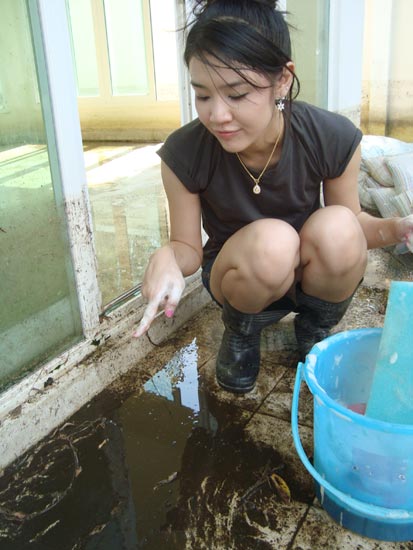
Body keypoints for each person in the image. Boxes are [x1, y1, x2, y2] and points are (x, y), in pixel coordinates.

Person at [133, 0, 413, 394]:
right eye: (203, 95)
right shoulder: (184, 153)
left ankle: (313, 330)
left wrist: (396, 227)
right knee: (273, 242)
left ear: (282, 80)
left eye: (236, 93)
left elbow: (354, 224)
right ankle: (242, 331)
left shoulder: (330, 136)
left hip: (311, 268)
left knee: (338, 226)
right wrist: (164, 258)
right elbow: (187, 249)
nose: (217, 116)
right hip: (243, 273)